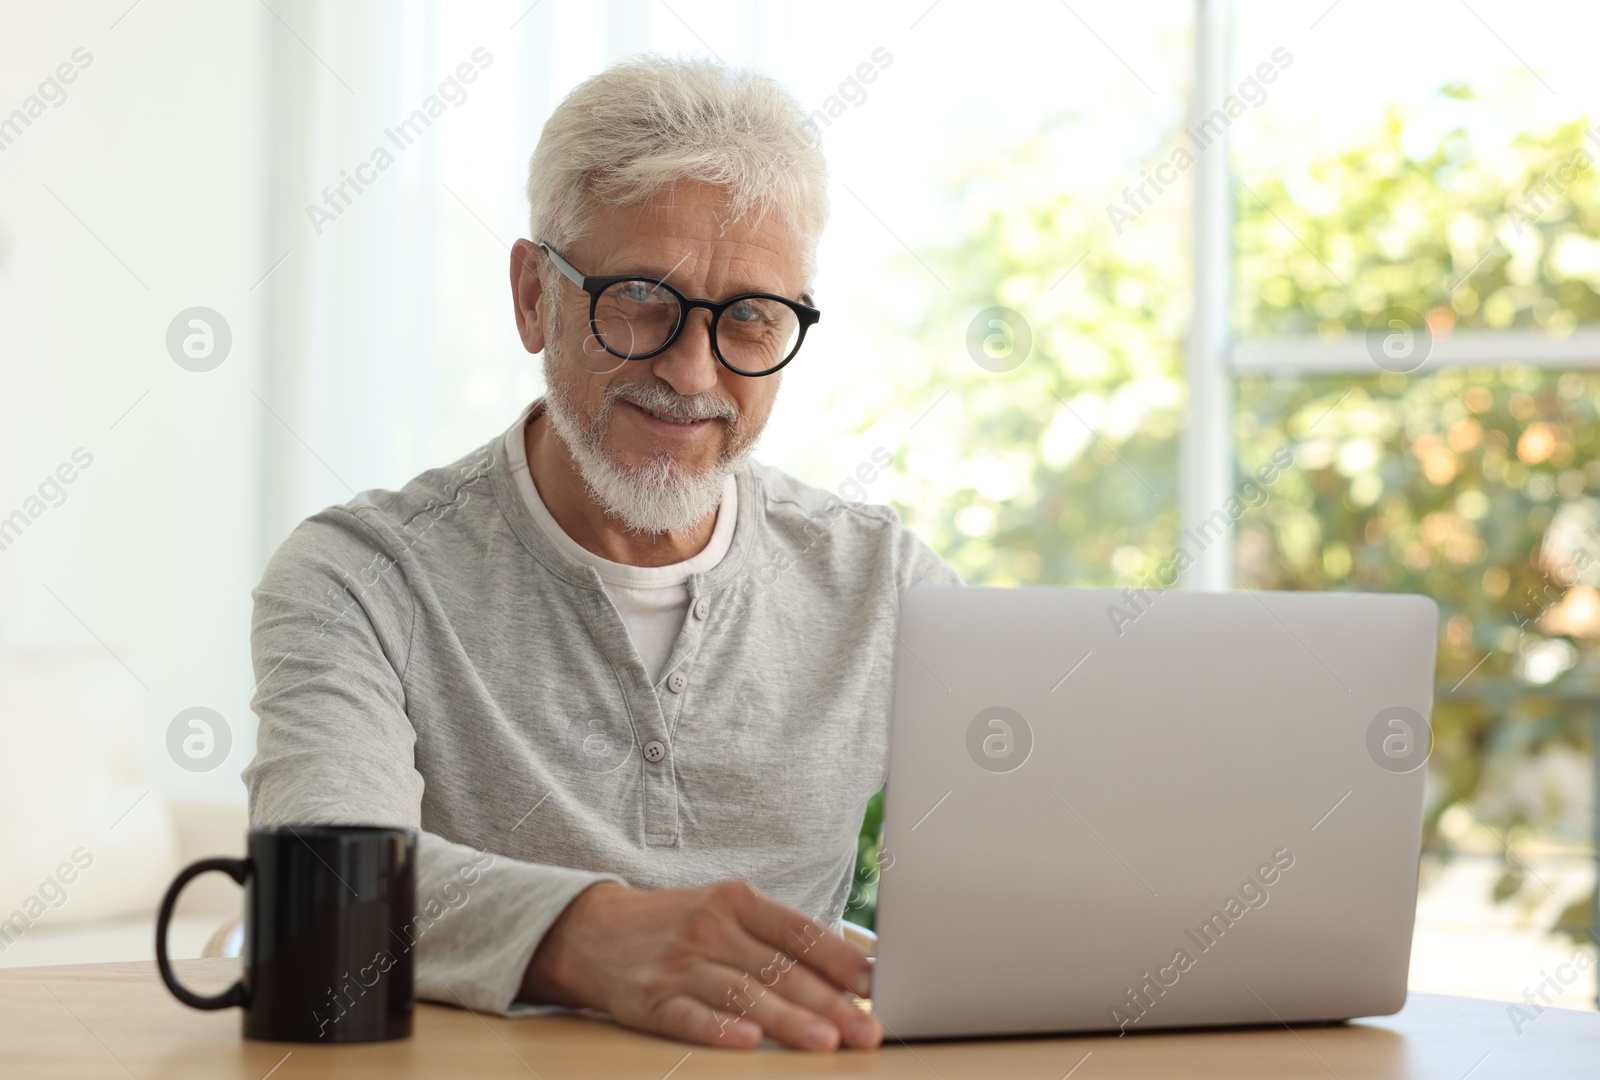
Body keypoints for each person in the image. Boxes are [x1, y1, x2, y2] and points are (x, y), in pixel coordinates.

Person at [243, 54, 957, 1052]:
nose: (692, 370)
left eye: (751, 317)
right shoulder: (358, 578)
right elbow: (320, 889)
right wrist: (587, 936)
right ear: (535, 295)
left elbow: (1040, 876)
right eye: (639, 301)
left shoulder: (887, 583)